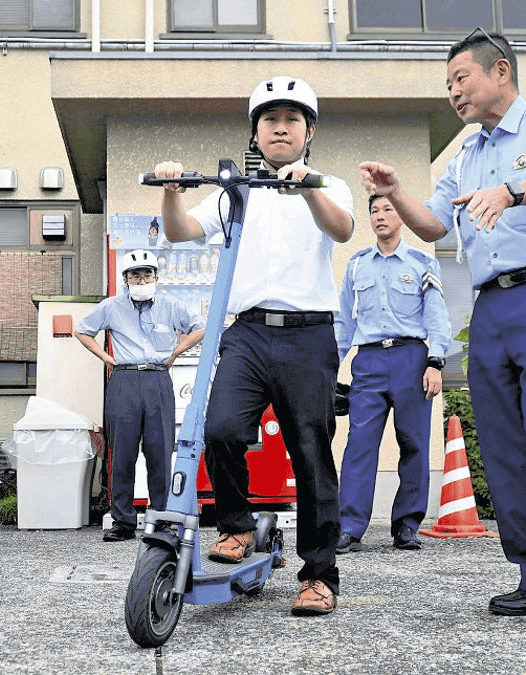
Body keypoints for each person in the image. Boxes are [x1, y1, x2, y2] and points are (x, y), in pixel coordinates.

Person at [359, 28, 526, 625]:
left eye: (460, 79)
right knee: (504, 443)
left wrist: (511, 191)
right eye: (447, 84)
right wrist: (397, 193)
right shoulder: (466, 153)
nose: (453, 93)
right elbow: (433, 228)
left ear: (500, 71)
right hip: (493, 306)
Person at [154, 76, 354, 616]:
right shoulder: (236, 192)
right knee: (216, 428)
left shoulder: (329, 184)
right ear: (257, 133)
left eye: (291, 119)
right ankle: (237, 527)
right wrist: (173, 192)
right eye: (270, 120)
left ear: (308, 131)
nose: (280, 127)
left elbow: (341, 229)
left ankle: (319, 576)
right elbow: (179, 232)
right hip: (245, 333)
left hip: (309, 333)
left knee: (310, 454)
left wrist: (306, 184)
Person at [334, 195, 451, 554]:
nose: (380, 216)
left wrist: (435, 361)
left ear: (401, 215)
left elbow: (436, 314)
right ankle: (350, 526)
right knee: (359, 445)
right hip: (368, 362)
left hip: (411, 360)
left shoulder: (422, 263)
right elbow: (344, 321)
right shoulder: (357, 265)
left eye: (388, 209)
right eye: (374, 211)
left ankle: (407, 525)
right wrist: (328, 368)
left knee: (413, 442)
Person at [74, 250, 204, 542]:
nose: (141, 279)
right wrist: (106, 357)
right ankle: (123, 520)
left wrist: (177, 351)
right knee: (122, 452)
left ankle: (161, 518)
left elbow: (200, 327)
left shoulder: (171, 306)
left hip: (158, 378)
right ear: (125, 279)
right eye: (135, 275)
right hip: (124, 379)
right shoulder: (112, 307)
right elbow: (82, 331)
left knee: (159, 452)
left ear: (156, 277)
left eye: (147, 274)